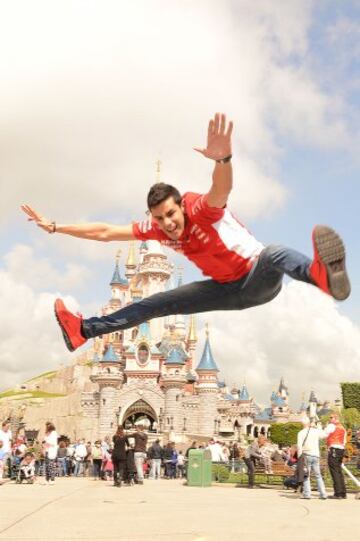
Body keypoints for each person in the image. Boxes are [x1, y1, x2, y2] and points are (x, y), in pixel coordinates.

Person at [21, 113, 350, 354]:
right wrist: (55, 226)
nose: (167, 223)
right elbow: (106, 231)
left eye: (171, 214)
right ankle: (83, 330)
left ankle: (320, 276)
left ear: (181, 206)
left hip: (256, 281)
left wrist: (223, 160)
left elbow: (221, 188)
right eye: (159, 218)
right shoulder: (157, 229)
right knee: (154, 304)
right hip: (224, 290)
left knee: (274, 253)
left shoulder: (201, 209)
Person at [297, 419, 327, 500]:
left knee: (306, 475)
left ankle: (307, 494)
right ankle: (323, 493)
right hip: (316, 455)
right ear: (309, 423)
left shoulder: (301, 433)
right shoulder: (315, 431)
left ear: (302, 424)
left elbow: (299, 446)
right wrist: (319, 426)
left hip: (306, 455)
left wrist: (299, 457)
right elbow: (324, 435)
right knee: (318, 475)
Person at [323, 412, 347, 499]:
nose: (329, 419)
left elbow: (324, 434)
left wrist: (320, 427)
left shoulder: (331, 426)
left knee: (334, 471)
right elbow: (344, 441)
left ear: (335, 418)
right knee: (339, 471)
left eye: (331, 417)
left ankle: (338, 493)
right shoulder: (342, 428)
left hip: (334, 449)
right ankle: (343, 492)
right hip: (341, 449)